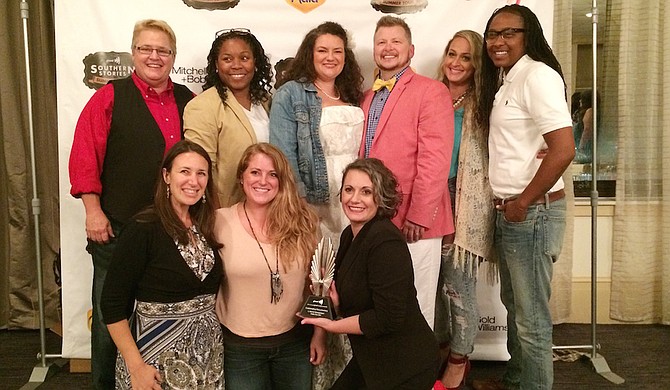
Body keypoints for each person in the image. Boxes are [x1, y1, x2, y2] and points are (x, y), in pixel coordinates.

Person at [68, 19, 194, 389]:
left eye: (163, 51)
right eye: (146, 49)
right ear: (134, 52)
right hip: (118, 227)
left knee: (165, 312)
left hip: (172, 229)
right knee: (112, 315)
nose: (154, 57)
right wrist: (93, 211)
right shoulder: (109, 96)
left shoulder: (188, 99)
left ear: (173, 56)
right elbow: (84, 156)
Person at [473, 5, 575, 390]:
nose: (498, 42)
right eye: (492, 34)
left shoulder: (537, 75)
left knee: (531, 319)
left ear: (528, 35)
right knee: (517, 308)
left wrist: (524, 201)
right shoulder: (508, 79)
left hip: (531, 213)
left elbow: (564, 149)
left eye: (508, 33)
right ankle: (517, 382)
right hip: (515, 212)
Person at [301, 158, 440, 390]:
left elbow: (388, 318)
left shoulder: (386, 241)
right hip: (374, 361)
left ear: (381, 197)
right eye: (349, 190)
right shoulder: (349, 235)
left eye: (366, 192)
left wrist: (332, 326)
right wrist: (337, 306)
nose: (354, 199)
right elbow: (365, 301)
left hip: (405, 366)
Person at [100, 140, 223, 389]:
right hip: (153, 361)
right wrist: (136, 368)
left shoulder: (207, 226)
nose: (194, 181)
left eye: (201, 174)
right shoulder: (143, 228)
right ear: (167, 176)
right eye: (184, 171)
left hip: (207, 360)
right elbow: (111, 304)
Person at [360, 15, 454, 330]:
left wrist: (420, 214)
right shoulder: (367, 96)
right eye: (381, 42)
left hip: (415, 221)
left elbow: (436, 159)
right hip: (376, 216)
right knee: (383, 302)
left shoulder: (432, 91)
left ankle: (417, 376)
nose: (388, 48)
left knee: (418, 304)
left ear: (411, 50)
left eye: (396, 41)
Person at [214, 143, 325, 390]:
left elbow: (318, 285)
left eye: (272, 174)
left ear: (281, 180)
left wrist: (320, 334)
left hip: (294, 343)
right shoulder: (218, 221)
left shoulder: (303, 222)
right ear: (241, 177)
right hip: (241, 348)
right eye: (255, 172)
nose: (263, 180)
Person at [432, 30, 496, 390]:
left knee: (458, 286)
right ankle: (442, 347)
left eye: (466, 57)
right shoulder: (431, 94)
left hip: (466, 198)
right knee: (431, 284)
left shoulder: (486, 101)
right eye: (451, 54)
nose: (455, 62)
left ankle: (459, 358)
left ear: (477, 65)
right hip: (431, 195)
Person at [270, 21, 364, 249]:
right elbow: (283, 156)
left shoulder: (352, 94)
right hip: (314, 200)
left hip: (354, 196)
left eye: (337, 51)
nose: (330, 57)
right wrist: (300, 205)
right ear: (309, 55)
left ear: (345, 57)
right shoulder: (290, 93)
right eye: (322, 50)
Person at [185, 28, 273, 207]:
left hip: (271, 210)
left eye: (244, 58)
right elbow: (202, 170)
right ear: (216, 65)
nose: (236, 65)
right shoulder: (203, 106)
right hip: (228, 212)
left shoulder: (267, 102)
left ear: (255, 62)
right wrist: (219, 218)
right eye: (227, 59)